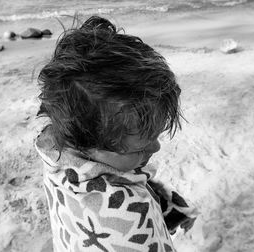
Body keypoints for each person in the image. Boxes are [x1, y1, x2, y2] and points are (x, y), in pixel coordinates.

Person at [35, 16, 198, 252]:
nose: (156, 148)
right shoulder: (130, 218)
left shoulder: (55, 152)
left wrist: (165, 204)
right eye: (139, 148)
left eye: (155, 135)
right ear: (86, 145)